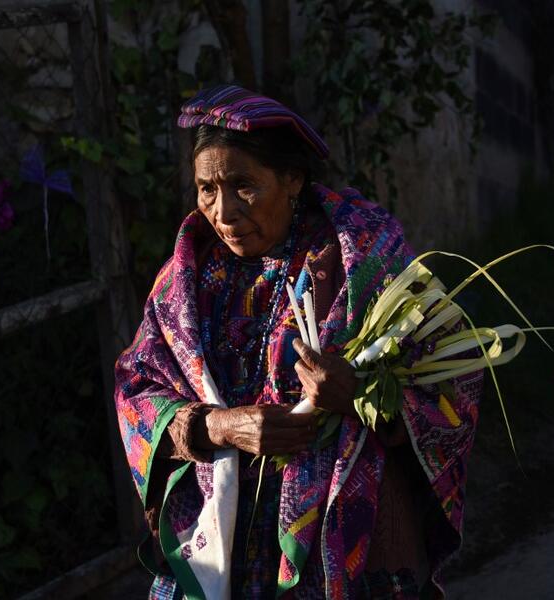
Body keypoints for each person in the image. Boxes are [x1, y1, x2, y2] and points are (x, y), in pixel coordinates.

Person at [114, 85, 483, 599]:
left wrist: (358, 391)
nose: (222, 211)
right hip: (217, 541)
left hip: (344, 544)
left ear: (291, 179)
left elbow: (456, 375)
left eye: (243, 186)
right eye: (206, 189)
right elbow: (137, 388)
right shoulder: (185, 279)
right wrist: (217, 425)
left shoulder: (363, 259)